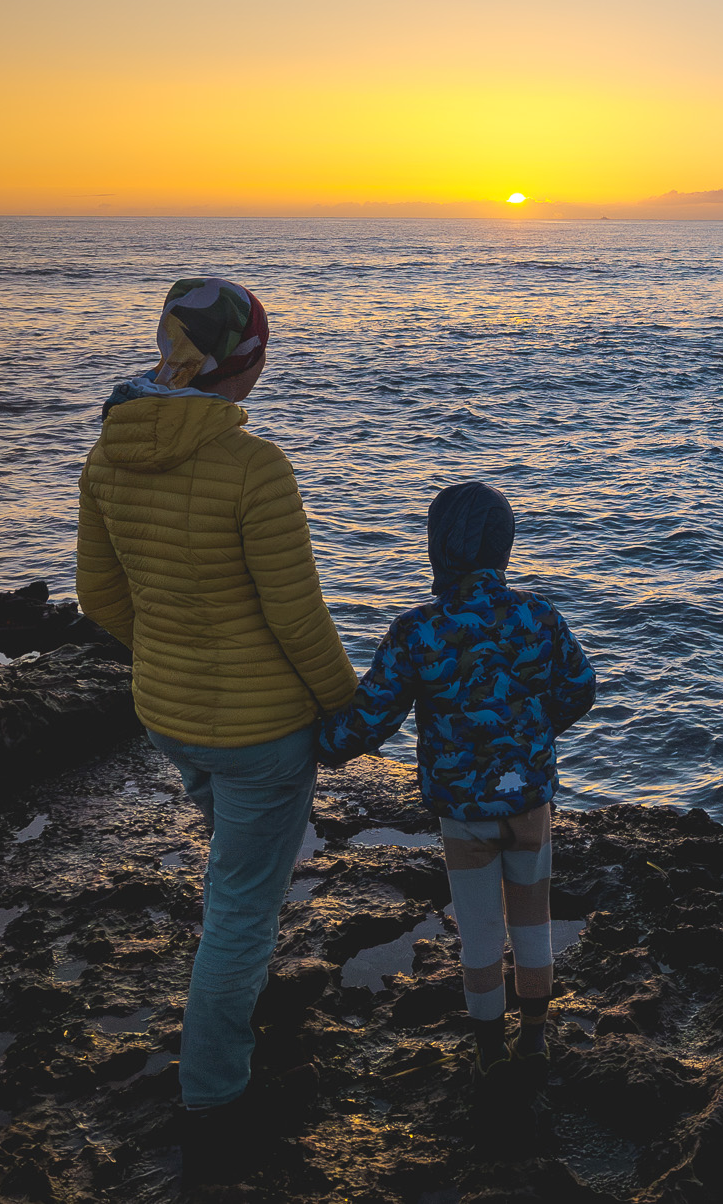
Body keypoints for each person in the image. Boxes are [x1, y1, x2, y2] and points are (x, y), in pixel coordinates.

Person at [74, 277, 357, 1161]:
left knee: (237, 875)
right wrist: (347, 710)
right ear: (244, 361)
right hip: (262, 733)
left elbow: (99, 599)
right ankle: (214, 1091)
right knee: (240, 907)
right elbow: (297, 616)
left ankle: (233, 1007)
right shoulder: (254, 467)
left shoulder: (107, 452)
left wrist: (169, 654)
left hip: (169, 713)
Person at [318, 480, 598, 1082]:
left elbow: (370, 719)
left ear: (436, 547)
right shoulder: (537, 614)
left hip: (462, 812)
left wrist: (320, 746)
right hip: (529, 802)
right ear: (505, 548)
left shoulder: (418, 630)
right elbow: (580, 689)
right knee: (533, 924)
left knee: (479, 935)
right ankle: (536, 1040)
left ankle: (490, 1052)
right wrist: (534, 733)